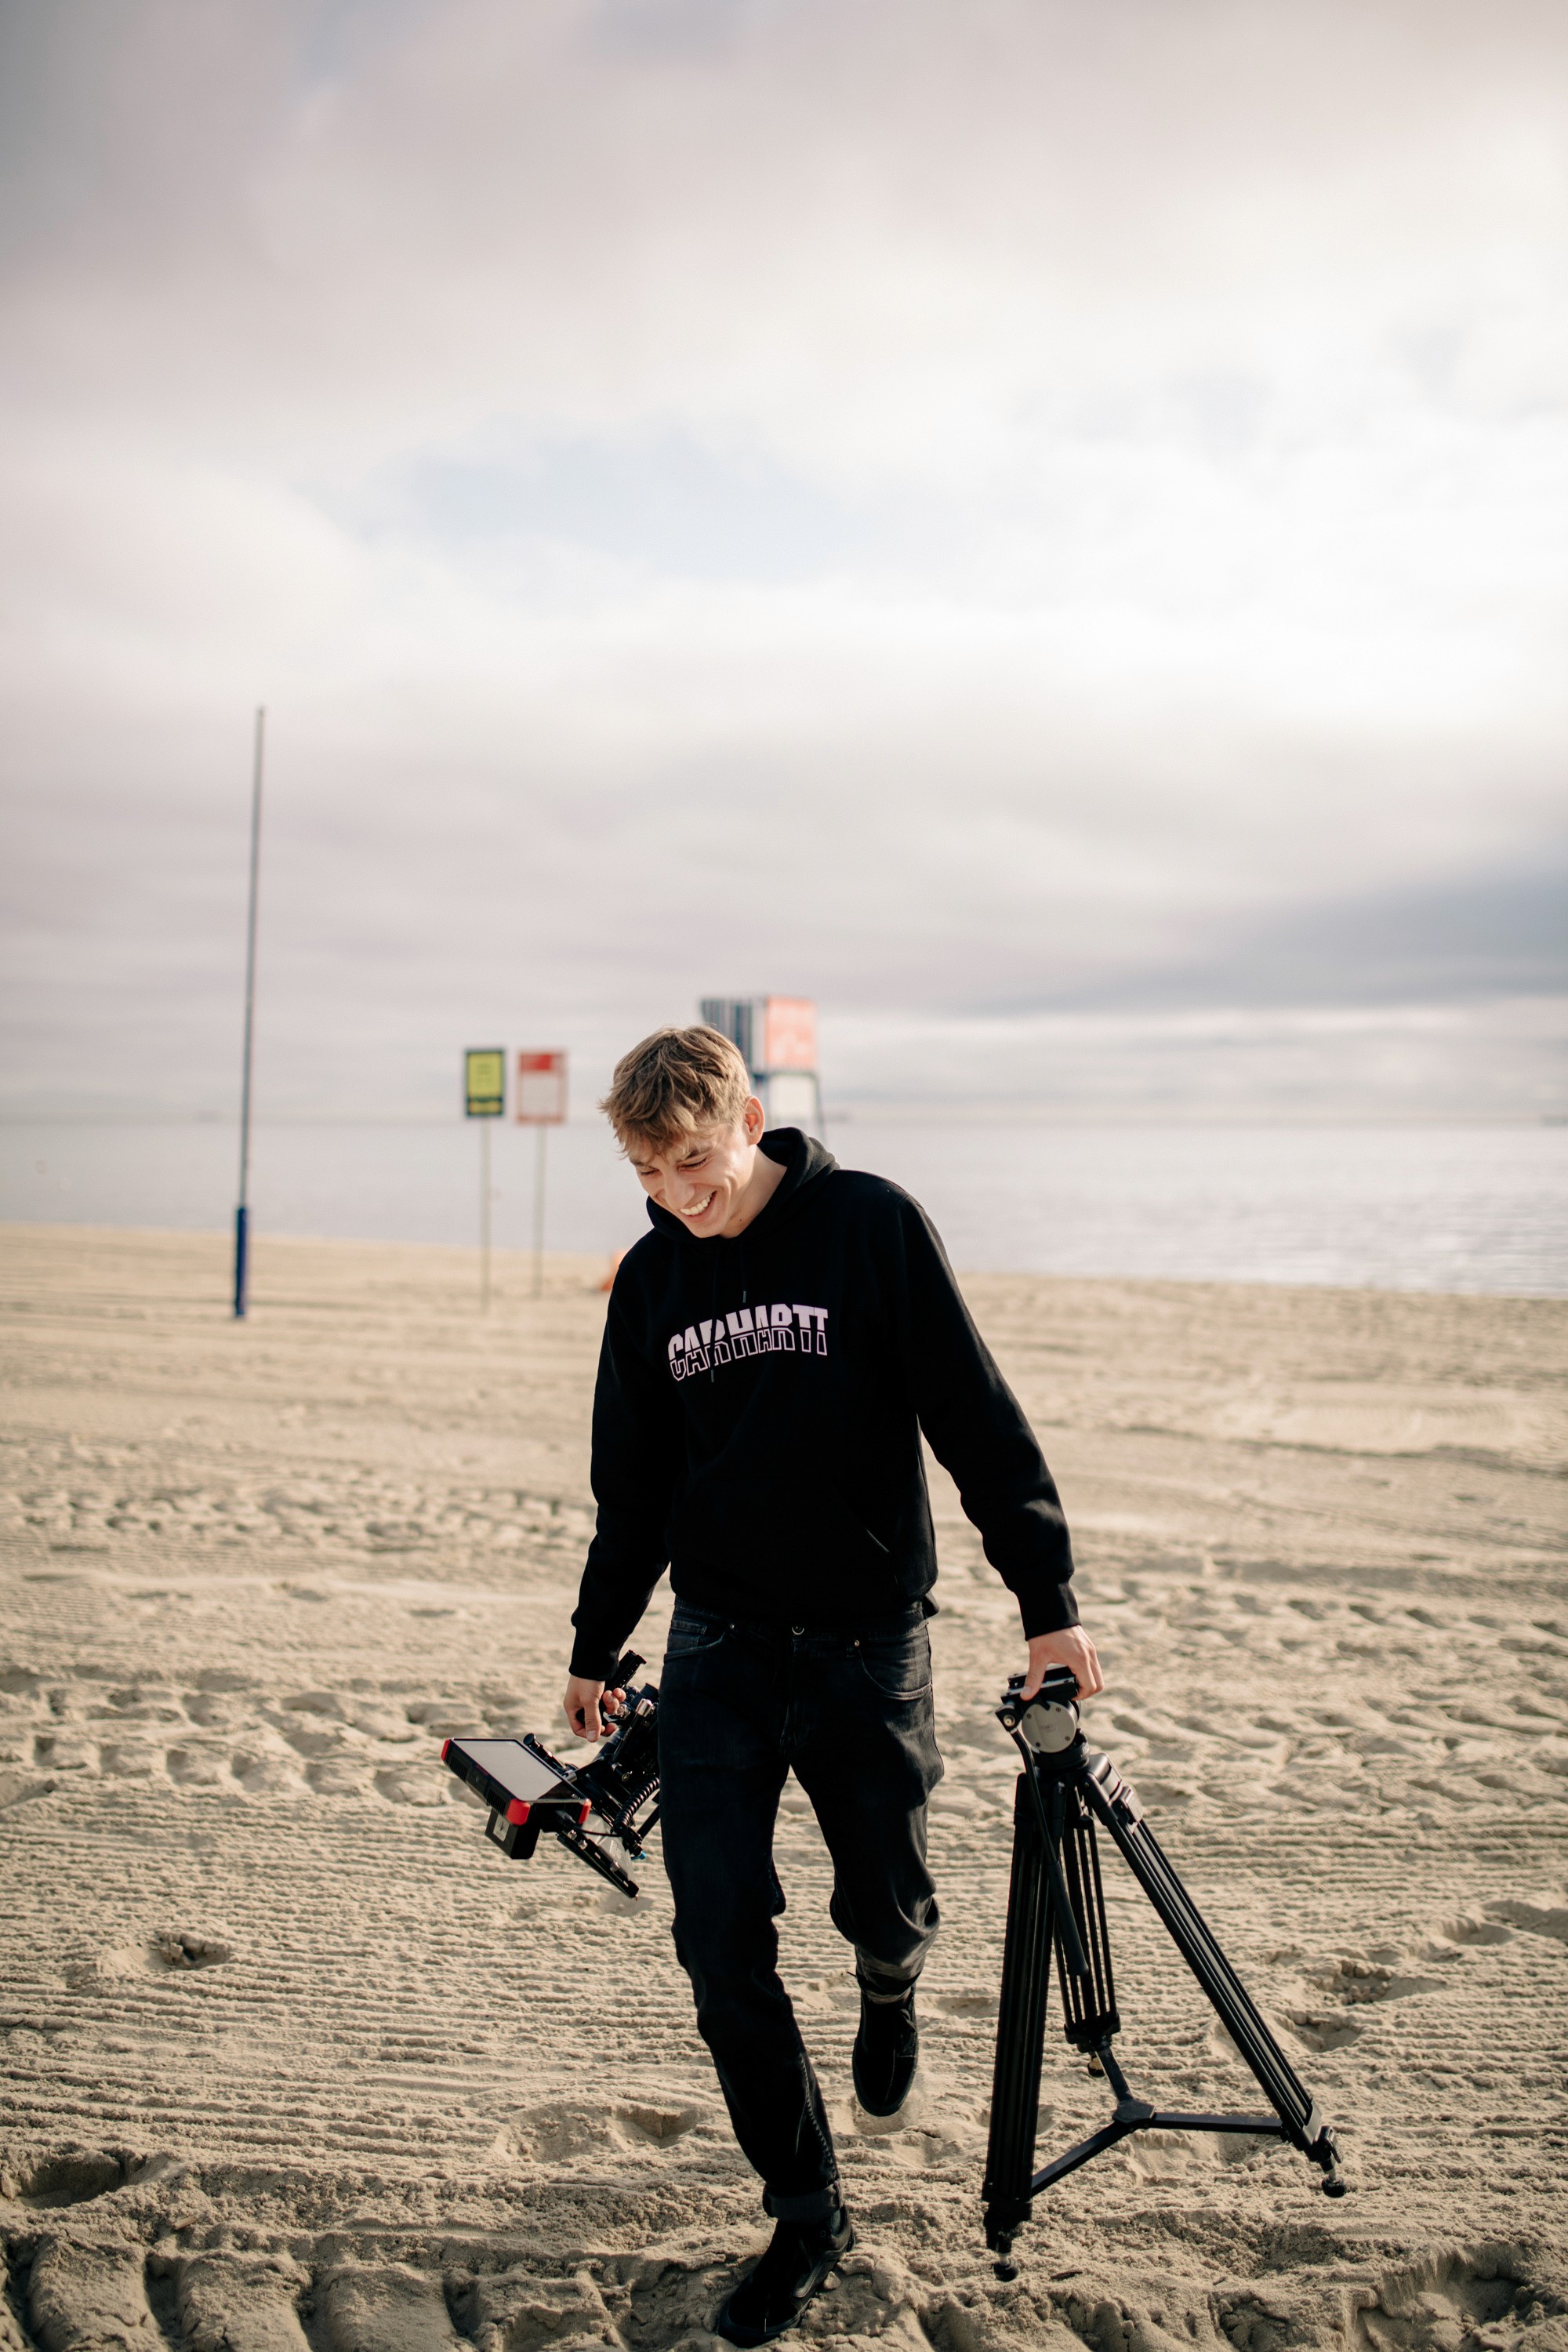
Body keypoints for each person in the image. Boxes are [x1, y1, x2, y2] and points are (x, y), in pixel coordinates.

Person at [563, 1025, 1101, 2348]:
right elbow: (631, 1486)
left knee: (891, 1901)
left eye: (696, 1159)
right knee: (717, 1943)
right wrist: (594, 1642)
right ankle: (806, 2212)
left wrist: (1049, 1608)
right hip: (717, 1651)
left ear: (749, 1115)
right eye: (650, 1173)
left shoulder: (869, 1226)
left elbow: (975, 1417)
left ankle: (890, 1984)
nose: (682, 1194)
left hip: (870, 1647)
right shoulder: (648, 1281)